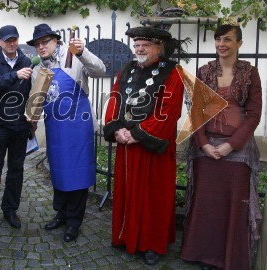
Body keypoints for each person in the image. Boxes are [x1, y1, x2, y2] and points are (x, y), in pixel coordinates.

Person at [181, 21, 262, 270]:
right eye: (218, 39)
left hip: (237, 152)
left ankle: (230, 258)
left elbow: (254, 113)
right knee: (206, 204)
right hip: (206, 149)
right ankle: (203, 254)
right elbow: (196, 111)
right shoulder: (204, 71)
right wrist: (203, 144)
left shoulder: (250, 72)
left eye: (227, 39)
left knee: (233, 205)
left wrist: (232, 145)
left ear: (239, 43)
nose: (221, 44)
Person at [103, 26, 187, 265]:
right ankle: (125, 236)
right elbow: (114, 101)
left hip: (151, 150)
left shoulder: (173, 73)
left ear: (159, 47)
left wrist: (138, 134)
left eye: (145, 45)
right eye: (137, 45)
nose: (139, 49)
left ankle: (153, 244)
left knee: (153, 197)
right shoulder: (127, 70)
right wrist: (116, 128)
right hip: (126, 147)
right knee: (127, 192)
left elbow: (169, 112)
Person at [27, 23, 106, 242]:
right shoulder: (37, 70)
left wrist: (82, 52)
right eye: (37, 44)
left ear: (56, 41)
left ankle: (74, 222)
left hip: (78, 128)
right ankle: (61, 213)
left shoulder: (75, 59)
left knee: (77, 173)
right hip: (55, 128)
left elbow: (100, 70)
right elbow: (38, 101)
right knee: (59, 171)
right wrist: (31, 117)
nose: (41, 47)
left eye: (45, 42)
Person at [0, 25, 33, 229]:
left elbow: (32, 91)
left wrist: (32, 116)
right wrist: (15, 75)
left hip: (19, 126)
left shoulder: (27, 61)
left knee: (16, 170)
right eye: (7, 40)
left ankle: (10, 210)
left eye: (14, 39)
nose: (11, 43)